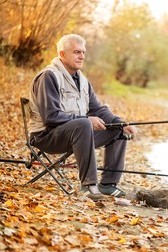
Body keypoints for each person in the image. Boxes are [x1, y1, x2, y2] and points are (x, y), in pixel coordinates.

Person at [28, 34, 138, 201]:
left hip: (76, 134)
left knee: (116, 129)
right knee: (84, 123)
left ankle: (108, 184)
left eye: (83, 52)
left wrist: (121, 124)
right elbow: (51, 117)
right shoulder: (49, 76)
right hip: (46, 136)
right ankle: (88, 185)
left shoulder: (83, 80)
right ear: (62, 54)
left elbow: (98, 109)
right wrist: (86, 120)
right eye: (76, 52)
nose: (82, 56)